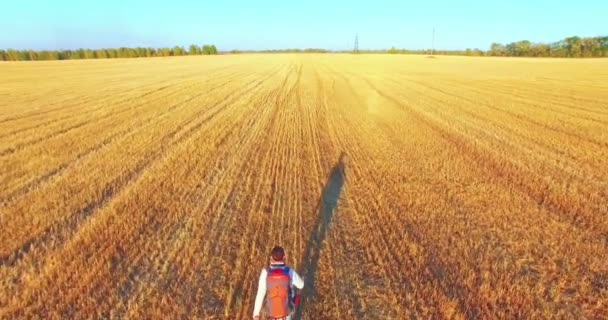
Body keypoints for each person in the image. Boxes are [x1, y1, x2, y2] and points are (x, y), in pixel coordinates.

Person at [253, 246, 304, 320]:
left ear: (271, 258)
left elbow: (260, 293)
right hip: (287, 311)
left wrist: (256, 314)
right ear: (284, 258)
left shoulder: (265, 273)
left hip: (272, 311)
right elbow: (301, 285)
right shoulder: (289, 271)